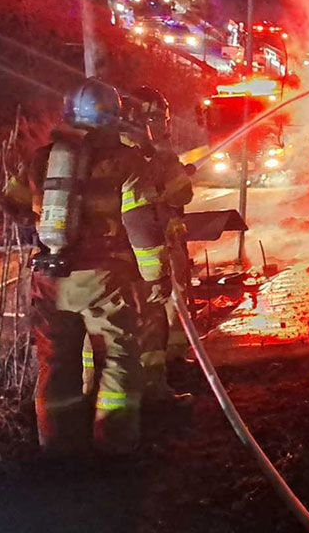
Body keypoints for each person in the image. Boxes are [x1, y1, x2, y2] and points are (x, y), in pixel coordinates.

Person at [9, 78, 159, 455]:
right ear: (115, 116)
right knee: (118, 356)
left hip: (49, 277)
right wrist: (157, 275)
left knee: (55, 362)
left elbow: (11, 203)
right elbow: (140, 226)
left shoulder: (42, 158)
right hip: (102, 277)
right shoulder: (126, 162)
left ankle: (57, 446)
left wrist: (42, 222)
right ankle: (115, 443)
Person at [124, 86, 195, 403]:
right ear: (147, 118)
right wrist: (176, 170)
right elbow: (181, 194)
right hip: (146, 247)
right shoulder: (151, 154)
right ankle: (154, 383)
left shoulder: (117, 150)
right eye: (161, 118)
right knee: (153, 307)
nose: (165, 125)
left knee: (161, 304)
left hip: (126, 247)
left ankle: (173, 358)